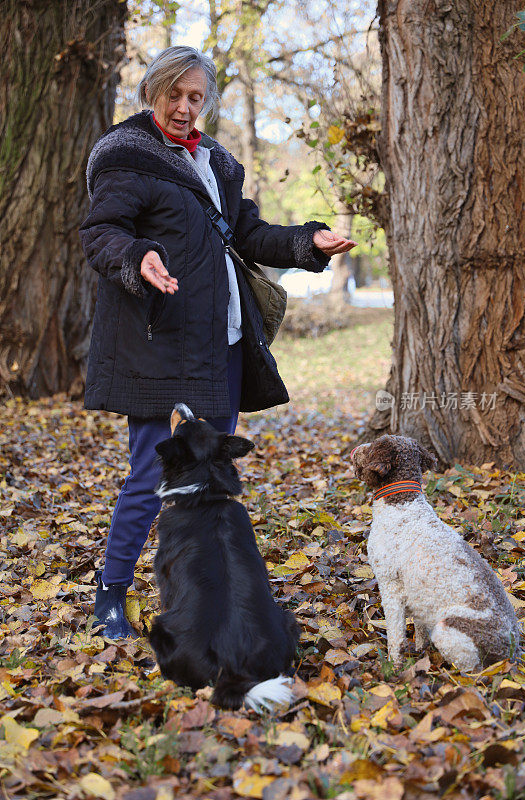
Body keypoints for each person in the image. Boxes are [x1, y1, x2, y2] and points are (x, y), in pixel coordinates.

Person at [79, 46, 356, 639]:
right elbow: (102, 231)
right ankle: (111, 592)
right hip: (160, 345)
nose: (184, 107)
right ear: (151, 93)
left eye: (195, 97)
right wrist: (139, 257)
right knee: (151, 476)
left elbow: (249, 234)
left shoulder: (214, 162)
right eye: (173, 95)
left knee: (209, 478)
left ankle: (203, 590)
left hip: (223, 345)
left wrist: (310, 243)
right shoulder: (127, 158)